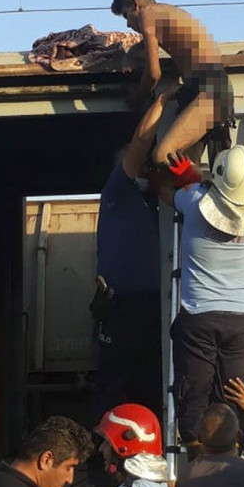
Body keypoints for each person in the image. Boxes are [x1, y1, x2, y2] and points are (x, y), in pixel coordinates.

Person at [169, 146, 244, 450]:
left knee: (193, 396)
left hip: (199, 320)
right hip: (243, 323)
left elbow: (174, 191)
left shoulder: (195, 202)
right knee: (234, 398)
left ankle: (197, 458)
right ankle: (231, 457)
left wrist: (192, 177)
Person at [91, 82, 177, 420]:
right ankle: (103, 461)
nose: (148, 169)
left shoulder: (156, 203)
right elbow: (140, 144)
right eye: (142, 166)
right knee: (113, 384)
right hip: (121, 304)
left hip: (155, 304)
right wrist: (162, 100)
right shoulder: (118, 192)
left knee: (150, 383)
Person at [110, 0, 234, 164]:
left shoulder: (147, 15)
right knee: (185, 167)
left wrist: (137, 97)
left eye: (126, 15)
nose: (128, 24)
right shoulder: (164, 15)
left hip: (209, 87)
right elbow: (142, 48)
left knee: (163, 155)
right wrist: (130, 55)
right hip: (202, 89)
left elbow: (154, 73)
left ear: (135, 5)